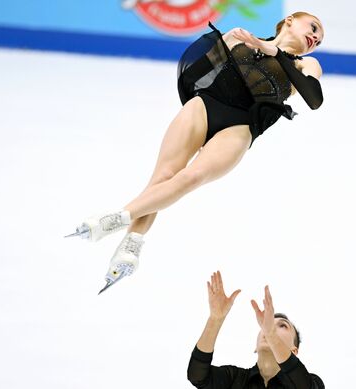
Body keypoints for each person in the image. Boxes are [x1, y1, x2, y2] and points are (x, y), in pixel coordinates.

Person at [66, 12, 325, 293]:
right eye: (313, 28)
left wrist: (273, 51)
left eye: (319, 39)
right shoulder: (243, 38)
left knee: (190, 178)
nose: (315, 38)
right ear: (289, 21)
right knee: (164, 175)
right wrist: (228, 45)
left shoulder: (305, 64)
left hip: (239, 126)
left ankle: (117, 218)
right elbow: (195, 73)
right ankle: (130, 249)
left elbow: (314, 99)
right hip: (205, 106)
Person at [188, 271, 324, 389]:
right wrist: (215, 319)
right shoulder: (234, 379)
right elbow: (198, 376)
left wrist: (271, 334)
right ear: (255, 347)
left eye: (282, 326)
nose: (269, 328)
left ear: (294, 351)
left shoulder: (311, 382)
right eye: (267, 325)